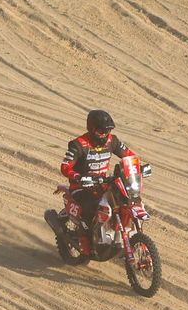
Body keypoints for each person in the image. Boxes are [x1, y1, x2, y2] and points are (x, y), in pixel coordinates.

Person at [59, 109, 140, 260]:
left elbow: (129, 155)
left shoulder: (112, 141)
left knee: (124, 202)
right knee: (90, 209)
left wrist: (138, 167)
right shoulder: (78, 145)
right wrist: (77, 176)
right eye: (101, 131)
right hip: (81, 187)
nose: (104, 134)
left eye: (107, 131)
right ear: (92, 128)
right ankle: (85, 244)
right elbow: (65, 167)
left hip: (103, 183)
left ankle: (122, 239)